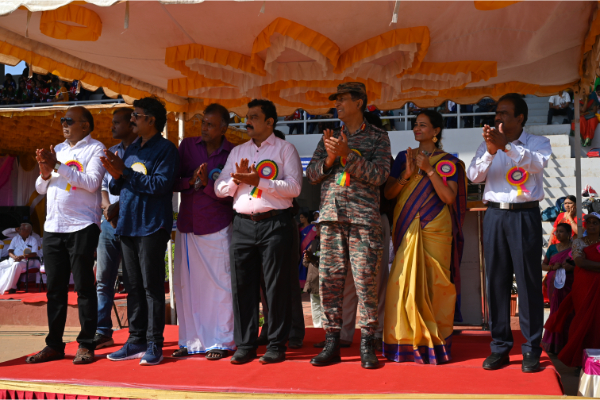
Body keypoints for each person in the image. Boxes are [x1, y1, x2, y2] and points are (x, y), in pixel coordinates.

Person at [306, 82, 391, 369]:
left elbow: (380, 175)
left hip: (363, 220)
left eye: (342, 99)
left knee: (366, 282)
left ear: (359, 102)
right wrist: (330, 158)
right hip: (332, 218)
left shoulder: (379, 137)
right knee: (329, 282)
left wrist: (347, 155)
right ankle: (331, 342)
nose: (337, 105)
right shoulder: (329, 137)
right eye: (336, 100)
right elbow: (312, 175)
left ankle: (368, 343)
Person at [467, 93, 551, 373]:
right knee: (496, 281)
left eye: (504, 113)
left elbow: (536, 164)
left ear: (520, 117)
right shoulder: (486, 144)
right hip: (495, 215)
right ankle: (500, 346)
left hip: (525, 214)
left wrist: (506, 147)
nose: (498, 117)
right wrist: (491, 151)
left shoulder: (538, 142)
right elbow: (474, 176)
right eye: (497, 113)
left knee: (528, 282)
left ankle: (531, 348)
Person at [215, 99, 302, 365]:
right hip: (242, 224)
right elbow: (219, 188)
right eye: (247, 116)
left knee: (276, 287)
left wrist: (259, 181)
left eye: (254, 117)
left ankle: (276, 344)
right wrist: (236, 179)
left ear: (269, 122)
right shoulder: (238, 151)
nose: (247, 121)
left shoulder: (285, 149)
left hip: (275, 223)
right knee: (242, 286)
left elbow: (295, 188)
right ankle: (246, 345)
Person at [382, 110, 467, 364]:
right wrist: (406, 175)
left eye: (422, 125)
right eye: (415, 124)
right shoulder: (403, 157)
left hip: (436, 228)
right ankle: (402, 342)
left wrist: (429, 170)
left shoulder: (448, 162)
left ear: (436, 131)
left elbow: (449, 197)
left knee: (435, 285)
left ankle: (435, 344)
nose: (416, 129)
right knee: (401, 283)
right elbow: (388, 194)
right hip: (407, 224)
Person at [101, 96, 179, 366]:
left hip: (152, 225)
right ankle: (136, 340)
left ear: (151, 120)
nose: (131, 119)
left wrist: (124, 172)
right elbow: (117, 186)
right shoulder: (131, 149)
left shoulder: (166, 149)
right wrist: (115, 173)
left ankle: (155, 343)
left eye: (136, 115)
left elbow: (160, 185)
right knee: (133, 286)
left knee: (152, 287)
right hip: (127, 225)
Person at [28, 106, 105, 365]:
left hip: (82, 225)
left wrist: (57, 165)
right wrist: (45, 171)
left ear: (85, 125)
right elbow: (40, 187)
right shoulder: (58, 149)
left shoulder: (96, 149)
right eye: (62, 120)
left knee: (84, 287)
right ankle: (54, 345)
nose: (64, 124)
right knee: (55, 290)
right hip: (53, 227)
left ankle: (86, 344)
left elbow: (92, 183)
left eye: (69, 120)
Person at [172, 103, 235, 360]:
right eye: (203, 123)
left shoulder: (232, 153)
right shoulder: (188, 146)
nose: (205, 128)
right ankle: (191, 341)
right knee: (186, 286)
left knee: (220, 286)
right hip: (188, 226)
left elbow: (232, 194)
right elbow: (171, 180)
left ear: (224, 128)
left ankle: (221, 340)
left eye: (211, 124)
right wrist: (190, 182)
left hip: (217, 225)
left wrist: (207, 184)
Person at [93, 108, 136, 350]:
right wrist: (108, 208)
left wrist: (117, 209)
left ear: (131, 124)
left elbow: (139, 186)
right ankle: (102, 331)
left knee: (133, 282)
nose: (112, 126)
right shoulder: (111, 151)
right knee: (103, 280)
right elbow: (102, 186)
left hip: (132, 223)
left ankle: (136, 334)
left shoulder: (142, 152)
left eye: (117, 122)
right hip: (108, 224)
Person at [544, 212, 600, 369]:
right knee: (582, 319)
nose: (591, 225)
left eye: (595, 223)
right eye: (589, 222)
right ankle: (579, 359)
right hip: (583, 285)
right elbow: (580, 262)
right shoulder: (579, 242)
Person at [541, 223, 575, 355]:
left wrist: (570, 267)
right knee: (555, 310)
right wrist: (552, 267)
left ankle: (567, 344)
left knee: (568, 311)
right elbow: (543, 265)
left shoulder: (574, 248)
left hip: (569, 283)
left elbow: (579, 265)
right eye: (557, 232)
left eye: (561, 231)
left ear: (569, 234)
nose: (558, 234)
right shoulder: (552, 248)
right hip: (554, 284)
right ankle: (553, 344)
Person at [0, 223, 40, 294]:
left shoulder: (33, 240)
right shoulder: (15, 238)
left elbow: (34, 253)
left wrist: (23, 256)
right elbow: (10, 251)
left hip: (26, 261)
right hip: (13, 259)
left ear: (27, 231)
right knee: (1, 265)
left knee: (16, 265)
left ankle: (12, 287)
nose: (19, 230)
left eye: (21, 229)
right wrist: (14, 257)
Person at [303, 219, 322, 327]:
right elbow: (305, 263)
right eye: (316, 226)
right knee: (315, 306)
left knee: (324, 307)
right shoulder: (314, 242)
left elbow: (326, 263)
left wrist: (312, 258)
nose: (317, 228)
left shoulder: (328, 243)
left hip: (323, 282)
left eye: (319, 226)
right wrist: (307, 257)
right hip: (313, 281)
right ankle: (317, 328)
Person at [298, 211, 316, 288]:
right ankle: (301, 284)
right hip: (300, 248)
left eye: (302, 217)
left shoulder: (312, 227)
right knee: (301, 263)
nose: (300, 219)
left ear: (307, 218)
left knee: (308, 264)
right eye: (300, 217)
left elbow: (315, 237)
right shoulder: (299, 228)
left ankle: (308, 284)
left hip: (309, 247)